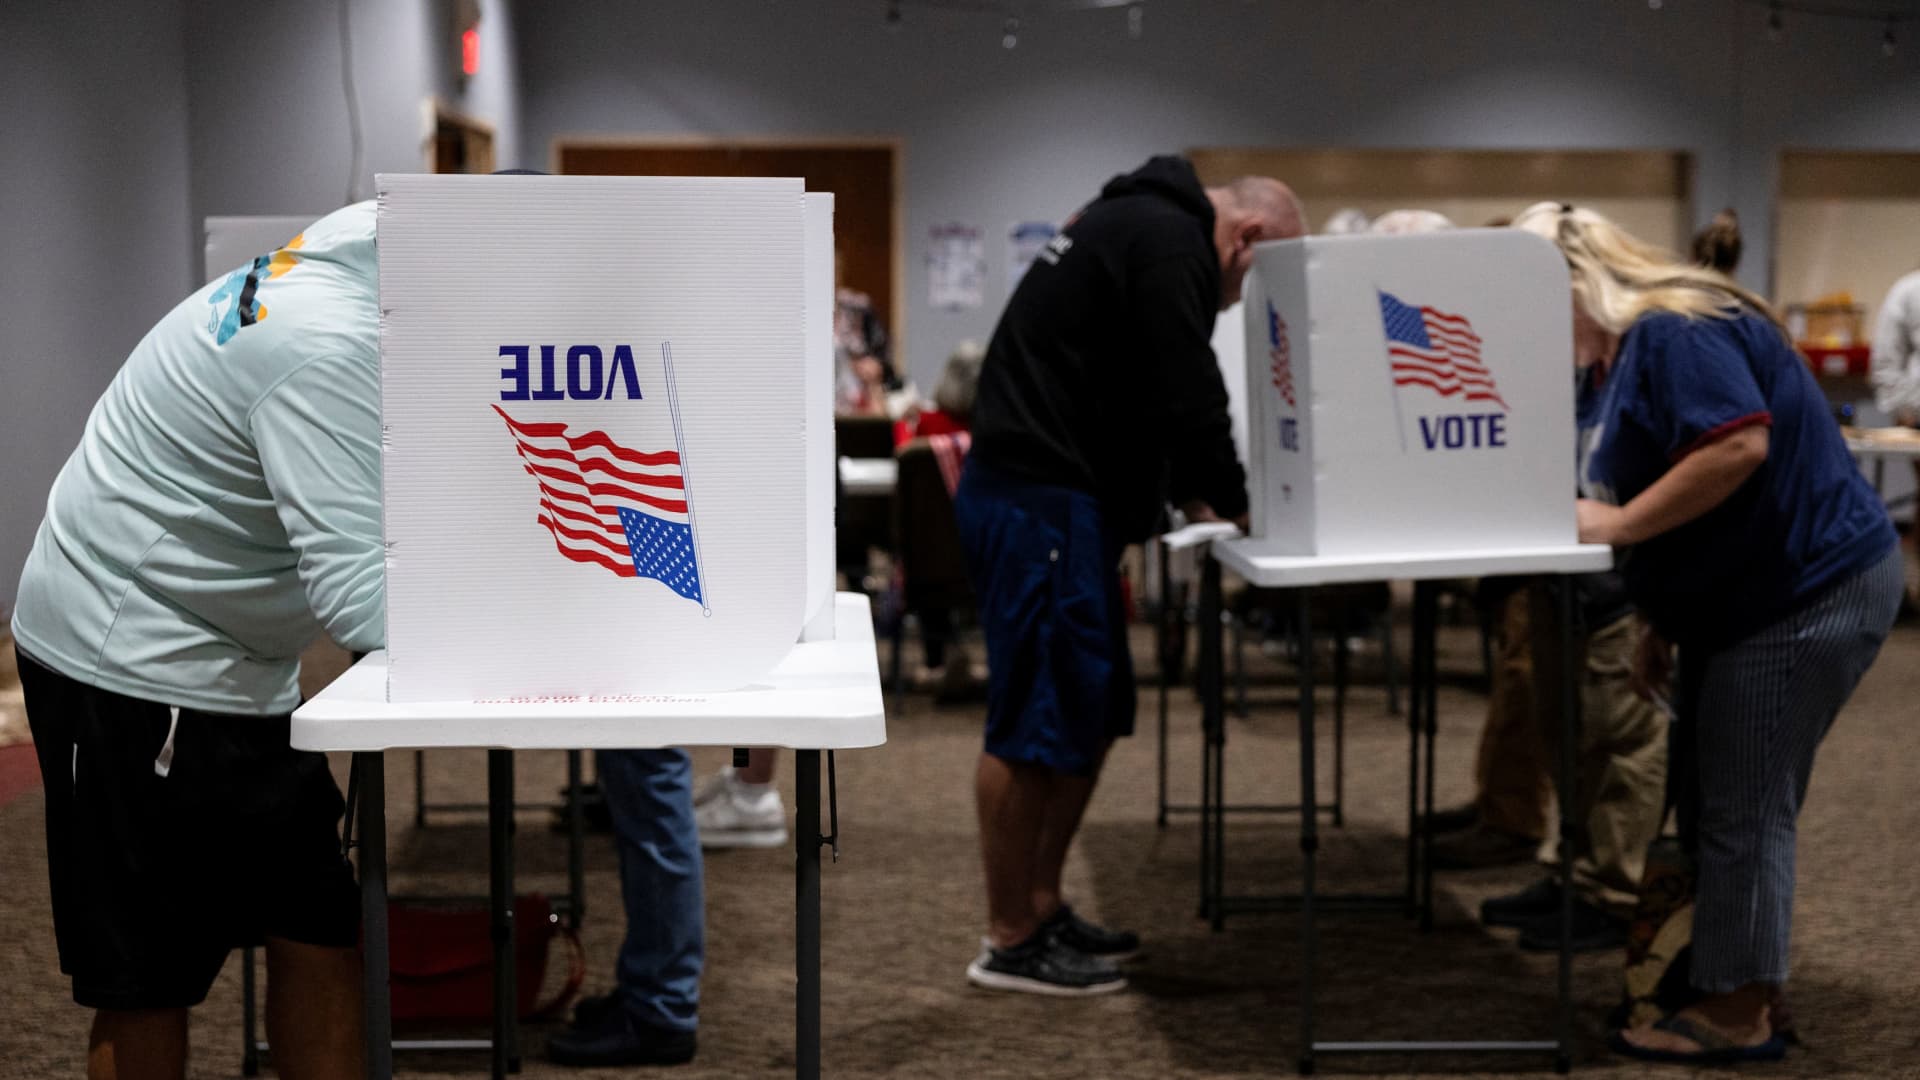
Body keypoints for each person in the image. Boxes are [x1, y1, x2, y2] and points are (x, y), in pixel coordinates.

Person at [1514, 202, 1901, 1064]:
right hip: (1736, 596)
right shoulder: (1609, 361)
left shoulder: (1673, 331)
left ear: (1570, 284)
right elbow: (1668, 482)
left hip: (1805, 590)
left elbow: (1736, 450)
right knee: (1712, 790)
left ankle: (1740, 1012)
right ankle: (1740, 976)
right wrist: (1661, 615)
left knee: (1744, 800)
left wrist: (1616, 533)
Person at [13, 206, 380, 1080]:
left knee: (320, 927)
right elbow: (364, 604)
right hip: (127, 655)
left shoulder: (367, 237)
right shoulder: (323, 345)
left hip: (239, 659)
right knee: (145, 977)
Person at [956, 156, 1302, 995]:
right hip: (1039, 498)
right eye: (1263, 277)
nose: (1243, 300)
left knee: (1090, 706)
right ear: (1246, 237)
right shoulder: (1169, 239)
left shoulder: (1137, 225)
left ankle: (1041, 904)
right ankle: (1010, 937)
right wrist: (1237, 497)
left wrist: (1186, 493)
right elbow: (1186, 388)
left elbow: (1137, 385)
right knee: (1034, 719)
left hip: (1060, 501)